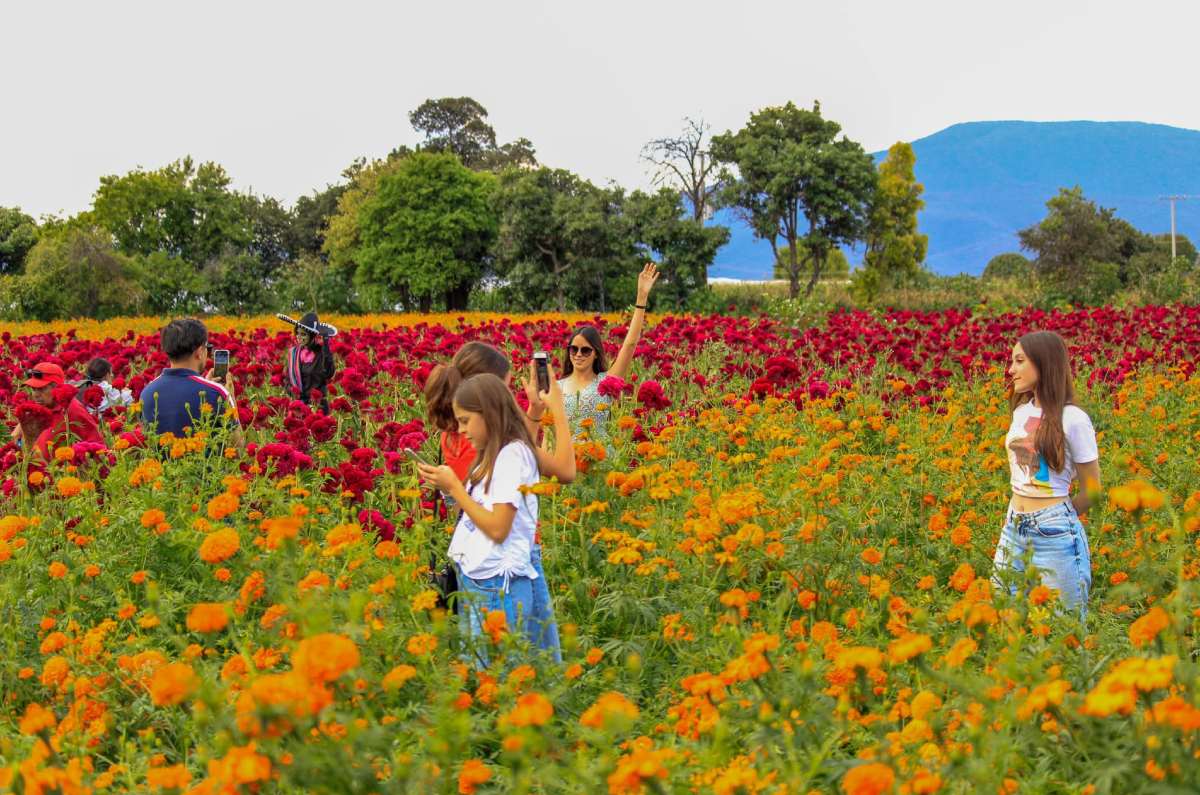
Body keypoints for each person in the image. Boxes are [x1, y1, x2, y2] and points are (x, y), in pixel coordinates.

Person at [422, 341, 575, 661]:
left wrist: (533, 414)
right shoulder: (483, 442)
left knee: (506, 665)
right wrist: (558, 411)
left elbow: (518, 459)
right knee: (528, 665)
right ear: (489, 399)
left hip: (483, 568)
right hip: (508, 568)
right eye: (505, 391)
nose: (510, 401)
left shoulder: (456, 436)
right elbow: (562, 470)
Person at [991, 330, 1101, 620]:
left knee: (1061, 632)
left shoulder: (1074, 419)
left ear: (1044, 363)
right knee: (1003, 622)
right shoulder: (1020, 412)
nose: (1011, 370)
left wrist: (1056, 516)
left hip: (1055, 533)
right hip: (1013, 527)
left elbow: (1093, 490)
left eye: (1019, 361)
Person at [559, 262, 660, 444]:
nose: (578, 354)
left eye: (585, 350)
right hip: (568, 466)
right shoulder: (557, 386)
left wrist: (642, 298)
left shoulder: (606, 382)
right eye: (574, 349)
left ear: (596, 353)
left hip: (600, 463)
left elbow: (629, 345)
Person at [140, 318, 243, 449]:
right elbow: (238, 448)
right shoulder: (217, 393)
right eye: (207, 348)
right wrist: (230, 397)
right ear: (199, 352)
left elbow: (146, 442)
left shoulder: (147, 393)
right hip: (204, 469)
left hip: (160, 469)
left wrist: (206, 385)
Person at [12, 362, 105, 462]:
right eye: (33, 389)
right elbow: (19, 442)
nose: (35, 395)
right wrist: (22, 431)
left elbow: (98, 448)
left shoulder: (73, 411)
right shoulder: (41, 408)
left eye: (41, 389)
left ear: (56, 387)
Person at [283, 312, 337, 414]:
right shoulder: (294, 353)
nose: (299, 337)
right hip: (299, 407)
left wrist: (326, 343)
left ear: (312, 336)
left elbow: (329, 373)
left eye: (303, 334)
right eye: (297, 333)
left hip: (318, 407)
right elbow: (287, 379)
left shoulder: (322, 353)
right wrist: (293, 392)